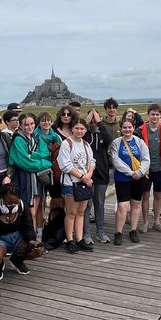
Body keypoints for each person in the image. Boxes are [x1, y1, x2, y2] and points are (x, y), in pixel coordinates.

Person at [57, 117, 96, 253]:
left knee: (81, 212)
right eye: (77, 128)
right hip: (70, 183)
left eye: (82, 128)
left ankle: (79, 239)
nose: (79, 131)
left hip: (83, 183)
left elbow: (91, 161)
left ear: (85, 130)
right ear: (72, 129)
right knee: (71, 212)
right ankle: (70, 240)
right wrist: (82, 177)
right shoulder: (66, 144)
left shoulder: (86, 144)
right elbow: (65, 165)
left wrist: (89, 174)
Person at [0, 184, 41, 276]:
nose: (12, 205)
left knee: (37, 249)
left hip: (17, 236)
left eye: (15, 202)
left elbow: (28, 226)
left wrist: (31, 242)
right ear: (2, 198)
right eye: (8, 202)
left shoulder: (22, 206)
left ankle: (17, 260)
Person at [9, 112, 52, 231]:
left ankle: (37, 236)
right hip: (24, 178)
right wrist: (44, 163)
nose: (30, 127)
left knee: (38, 210)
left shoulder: (36, 138)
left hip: (37, 179)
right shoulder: (18, 140)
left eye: (32, 123)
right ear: (21, 126)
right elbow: (25, 163)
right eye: (26, 124)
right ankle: (30, 239)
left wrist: (33, 155)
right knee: (29, 211)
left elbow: (47, 154)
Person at [109, 120, 150, 244]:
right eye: (125, 127)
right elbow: (116, 160)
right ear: (121, 129)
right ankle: (118, 232)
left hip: (139, 177)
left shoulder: (140, 142)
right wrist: (131, 173)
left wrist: (139, 172)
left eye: (130, 127)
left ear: (133, 128)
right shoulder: (116, 143)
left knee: (136, 204)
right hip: (122, 178)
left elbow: (146, 159)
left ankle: (133, 230)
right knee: (123, 206)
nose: (127, 130)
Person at [136, 104, 161, 234]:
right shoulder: (140, 131)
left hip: (159, 168)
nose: (155, 117)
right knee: (145, 195)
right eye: (153, 114)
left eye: (157, 114)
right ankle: (145, 222)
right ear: (148, 115)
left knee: (158, 195)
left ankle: (157, 222)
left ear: (160, 116)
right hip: (145, 169)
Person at [84, 108, 112, 244]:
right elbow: (78, 131)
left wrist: (100, 123)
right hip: (87, 175)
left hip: (101, 174)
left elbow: (110, 140)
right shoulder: (85, 135)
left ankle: (100, 231)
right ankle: (86, 233)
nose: (93, 123)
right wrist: (87, 120)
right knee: (87, 205)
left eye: (96, 121)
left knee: (99, 204)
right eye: (92, 121)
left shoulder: (102, 135)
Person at [34, 111, 62, 233]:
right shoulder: (35, 136)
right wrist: (48, 154)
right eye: (43, 120)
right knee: (40, 202)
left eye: (48, 120)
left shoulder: (55, 136)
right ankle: (39, 231)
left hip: (53, 171)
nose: (46, 122)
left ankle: (53, 225)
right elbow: (33, 154)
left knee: (56, 199)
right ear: (39, 123)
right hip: (39, 171)